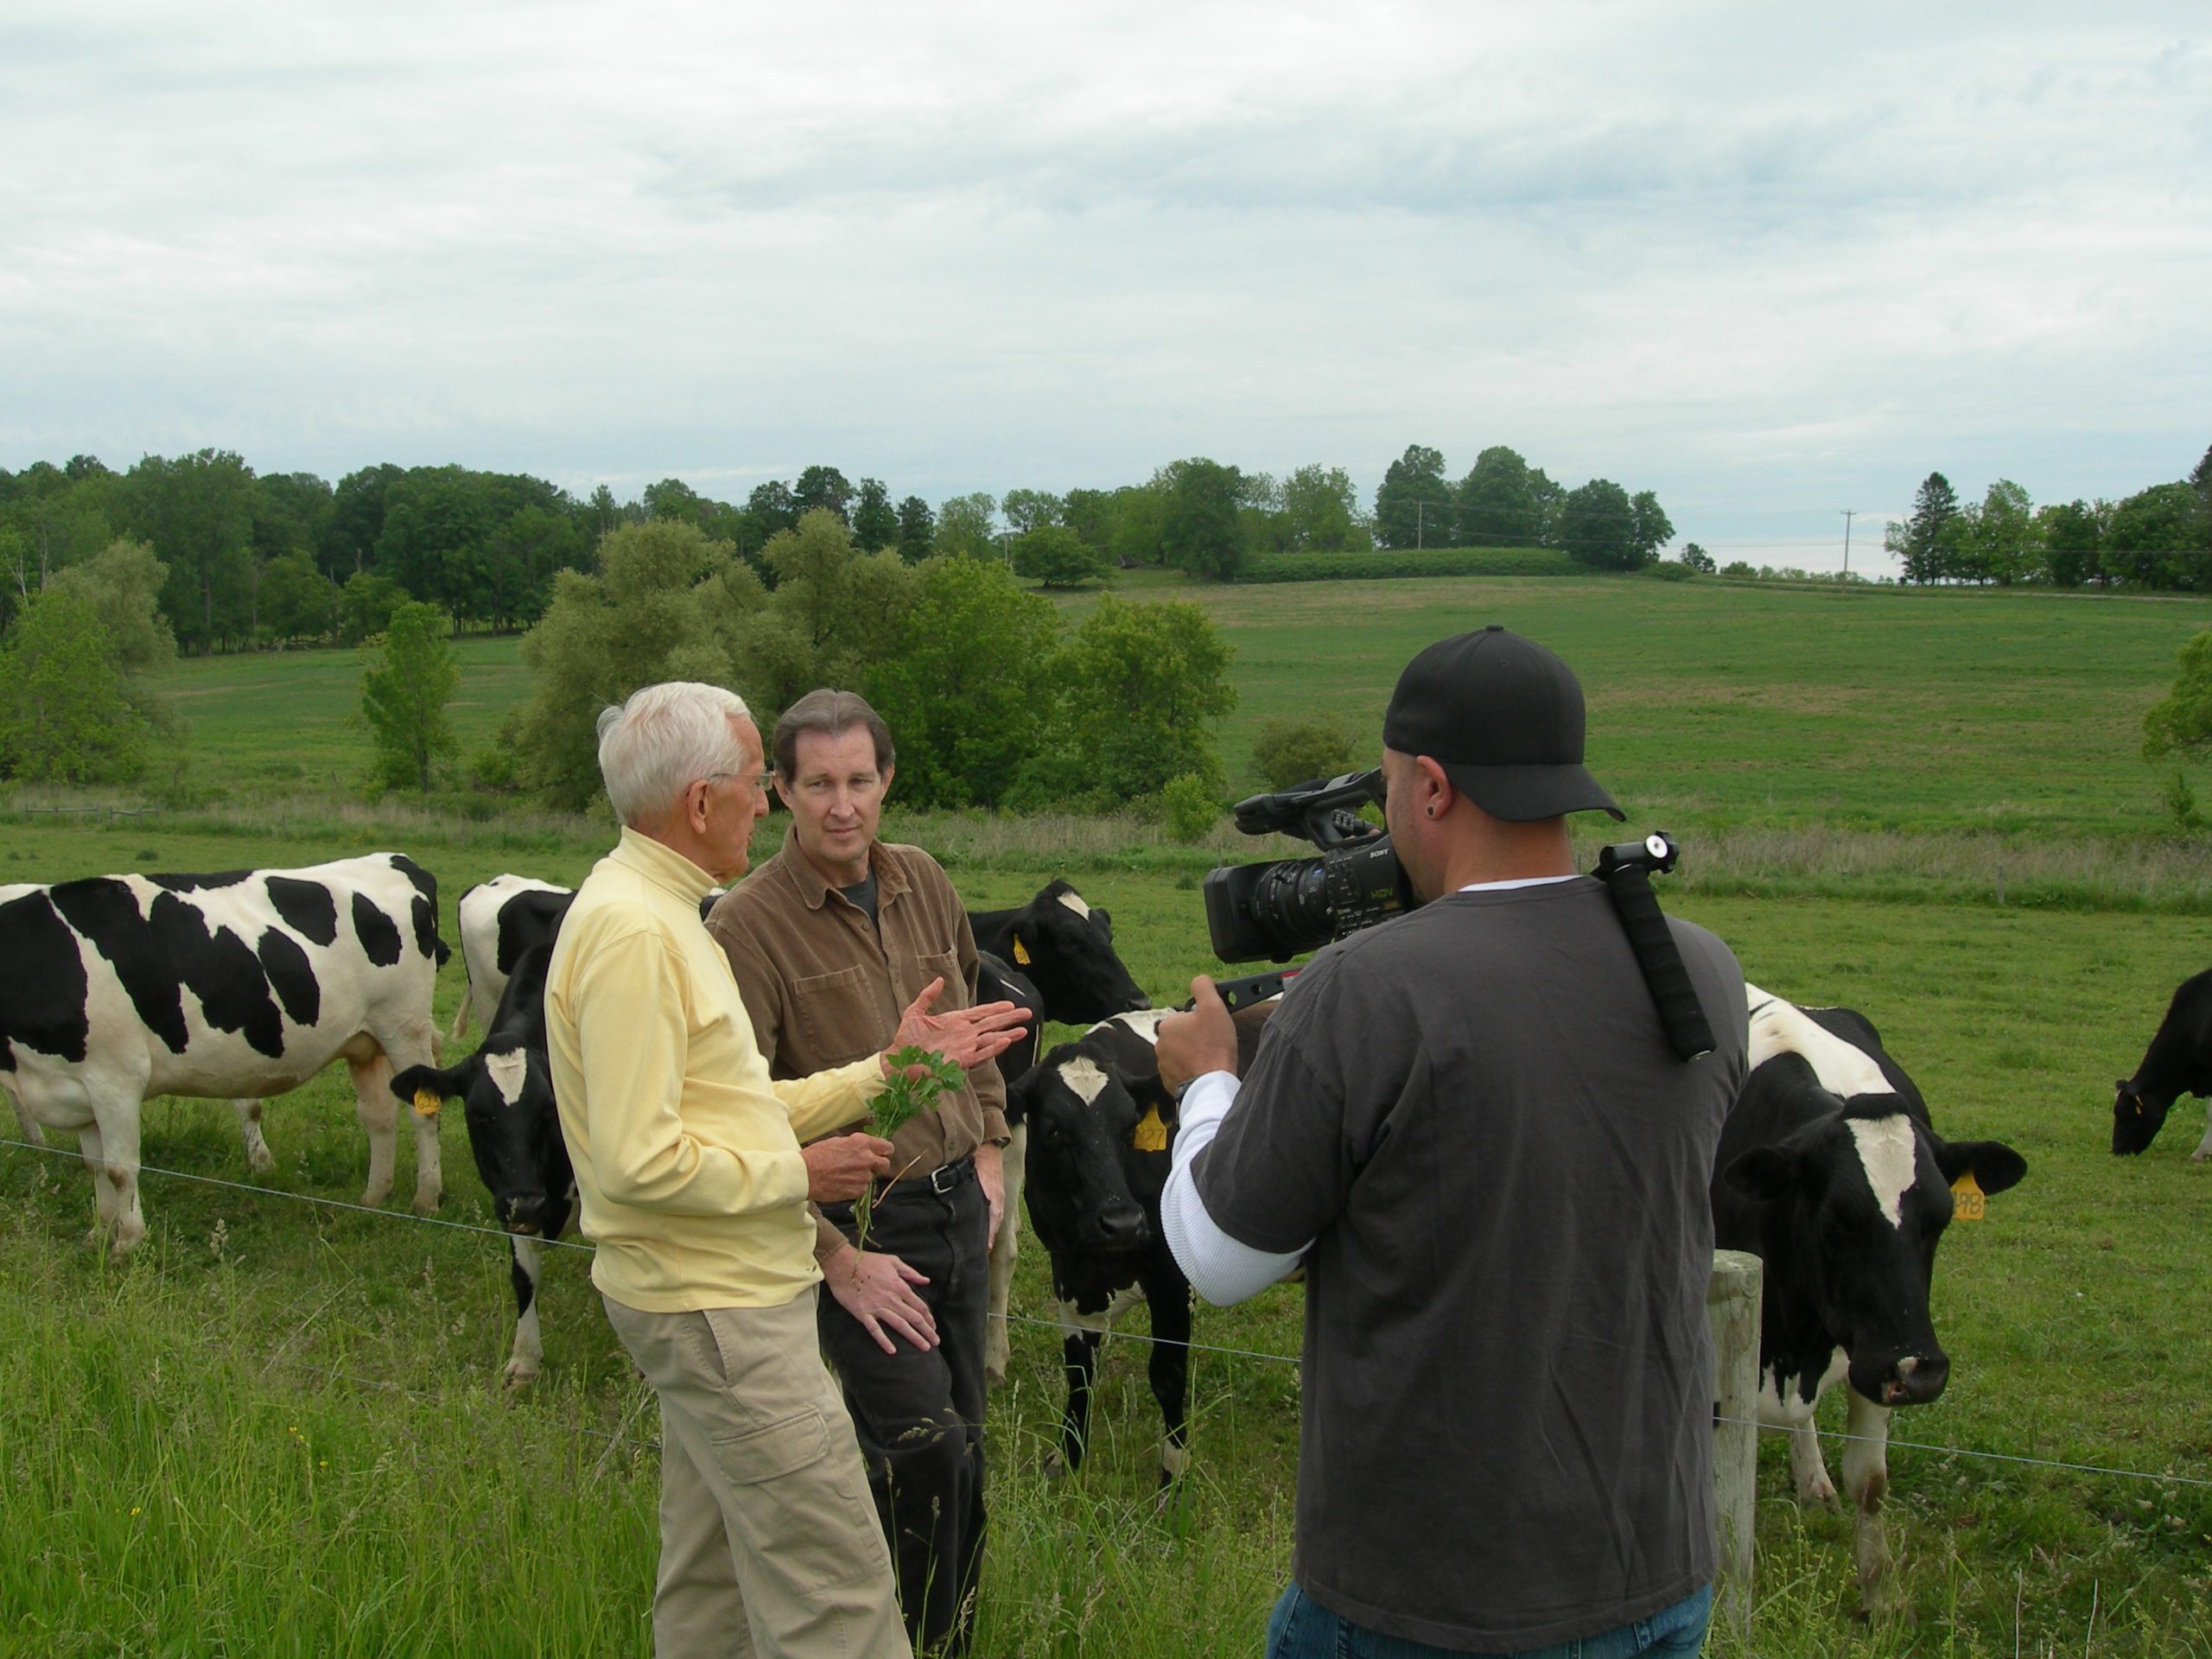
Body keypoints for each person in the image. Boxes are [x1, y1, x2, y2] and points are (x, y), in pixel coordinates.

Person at [1155, 627, 1751, 1659]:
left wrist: (1206, 1081)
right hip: (1656, 1566)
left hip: (1431, 1597)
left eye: (1388, 787)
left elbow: (1220, 1260)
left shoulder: (1366, 988)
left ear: (1430, 788)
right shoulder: (1699, 968)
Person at [543, 681, 1026, 1659]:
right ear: (700, 801)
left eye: (858, 780)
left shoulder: (653, 909)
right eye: (761, 781)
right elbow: (636, 1164)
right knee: (839, 1601)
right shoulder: (642, 934)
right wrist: (797, 1177)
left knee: (712, 1585)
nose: (766, 805)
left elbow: (726, 1108)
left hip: (703, 1294)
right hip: (722, 1304)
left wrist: (885, 1072)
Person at [706, 689, 1007, 1657]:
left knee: (967, 1449)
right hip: (863, 1226)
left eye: (860, 781)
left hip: (959, 1209)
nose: (843, 806)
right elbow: (737, 1115)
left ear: (887, 782)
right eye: (819, 784)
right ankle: (888, 1641)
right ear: (780, 792)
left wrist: (989, 1148)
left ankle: (947, 1641)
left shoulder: (924, 879)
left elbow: (971, 1025)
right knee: (922, 1449)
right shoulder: (748, 925)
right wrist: (834, 1257)